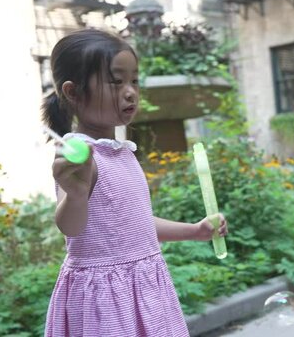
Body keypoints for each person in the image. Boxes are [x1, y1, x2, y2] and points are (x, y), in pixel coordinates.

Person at [41, 28, 228, 337]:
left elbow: (130, 223)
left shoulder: (121, 152)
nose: (130, 91)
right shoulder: (80, 156)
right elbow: (71, 228)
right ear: (73, 92)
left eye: (134, 81)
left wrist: (194, 232)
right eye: (116, 81)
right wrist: (74, 195)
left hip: (142, 290)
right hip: (106, 301)